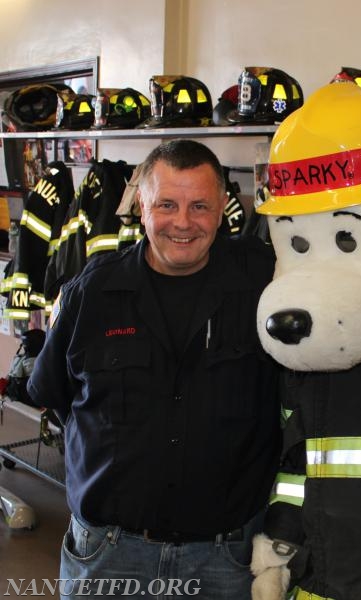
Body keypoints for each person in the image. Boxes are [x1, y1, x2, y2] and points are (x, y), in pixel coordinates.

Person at [27, 139, 281, 599]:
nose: (183, 222)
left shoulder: (264, 285)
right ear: (140, 205)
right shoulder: (94, 290)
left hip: (224, 560)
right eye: (166, 204)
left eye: (199, 205)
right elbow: (54, 392)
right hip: (109, 553)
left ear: (223, 207)